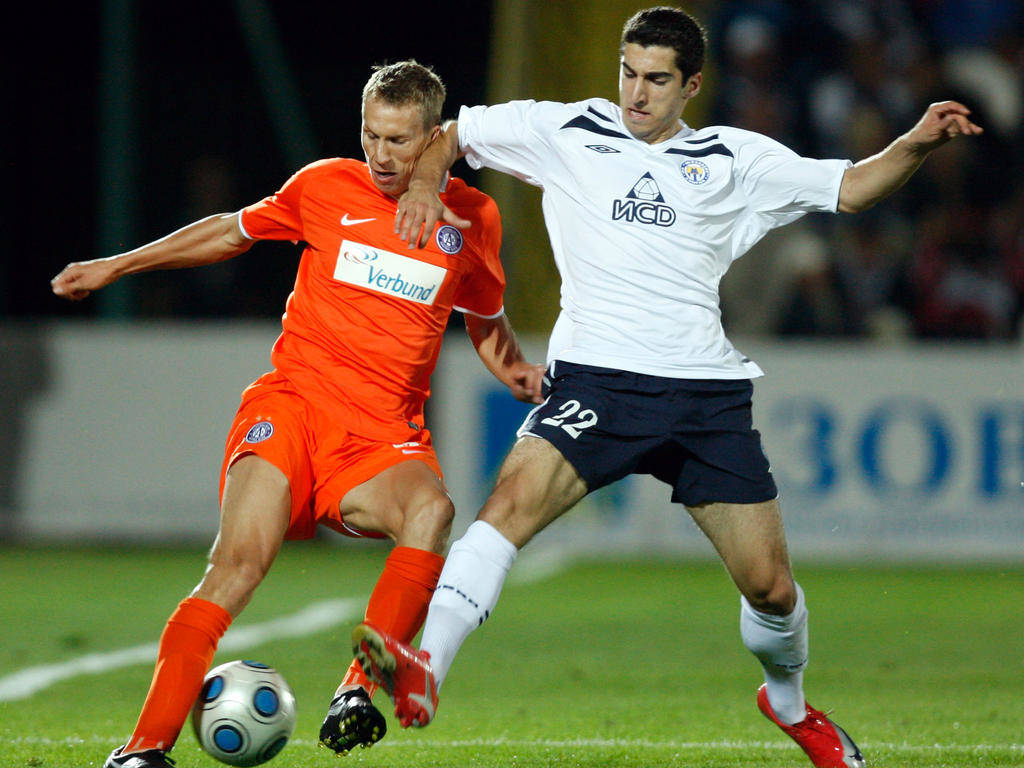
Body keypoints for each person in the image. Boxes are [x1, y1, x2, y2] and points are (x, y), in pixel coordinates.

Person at [349, 8, 983, 768]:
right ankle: (427, 669)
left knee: (772, 589)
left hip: (703, 396)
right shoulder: (568, 130)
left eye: (656, 80)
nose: (636, 93)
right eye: (628, 72)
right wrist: (423, 185)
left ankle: (788, 705)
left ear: (691, 86)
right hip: (596, 380)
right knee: (506, 508)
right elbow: (451, 135)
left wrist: (913, 142)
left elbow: (849, 189)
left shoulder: (735, 157)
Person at [50, 60, 543, 768]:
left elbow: (485, 319)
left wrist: (518, 369)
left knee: (431, 512)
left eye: (400, 141)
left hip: (378, 440)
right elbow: (231, 230)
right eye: (371, 135)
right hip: (293, 408)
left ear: (435, 137)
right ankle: (144, 750)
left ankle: (356, 692)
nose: (380, 155)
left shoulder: (473, 219)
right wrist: (117, 266)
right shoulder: (324, 186)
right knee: (238, 567)